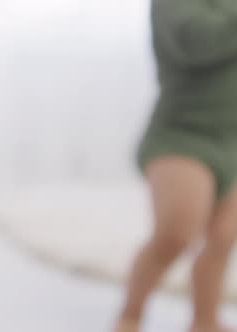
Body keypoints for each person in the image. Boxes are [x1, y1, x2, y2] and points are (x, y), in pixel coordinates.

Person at [117, 1, 237, 331]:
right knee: (175, 234)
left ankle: (205, 319)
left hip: (231, 138)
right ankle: (130, 315)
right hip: (182, 134)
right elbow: (195, 40)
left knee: (224, 236)